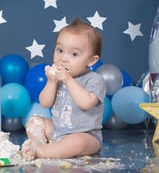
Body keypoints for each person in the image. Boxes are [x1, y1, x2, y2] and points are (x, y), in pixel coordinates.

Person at [22, 18, 106, 160]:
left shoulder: (94, 79)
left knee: (76, 143)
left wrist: (68, 80)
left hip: (86, 136)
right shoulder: (58, 78)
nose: (63, 58)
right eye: (60, 50)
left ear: (91, 60)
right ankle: (40, 144)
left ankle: (41, 152)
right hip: (57, 131)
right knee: (34, 121)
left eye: (74, 54)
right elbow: (45, 103)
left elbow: (85, 102)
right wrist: (51, 82)